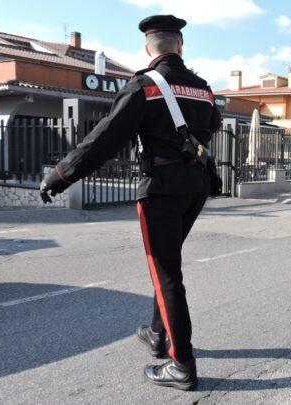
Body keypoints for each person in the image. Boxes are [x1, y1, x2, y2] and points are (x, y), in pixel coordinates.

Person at [39, 15, 222, 390]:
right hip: (196, 188)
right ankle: (157, 335)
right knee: (167, 262)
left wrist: (61, 175)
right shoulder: (204, 89)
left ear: (148, 48)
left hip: (161, 189)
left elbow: (104, 139)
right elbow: (214, 125)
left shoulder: (143, 86)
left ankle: (182, 365)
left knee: (166, 271)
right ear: (180, 45)